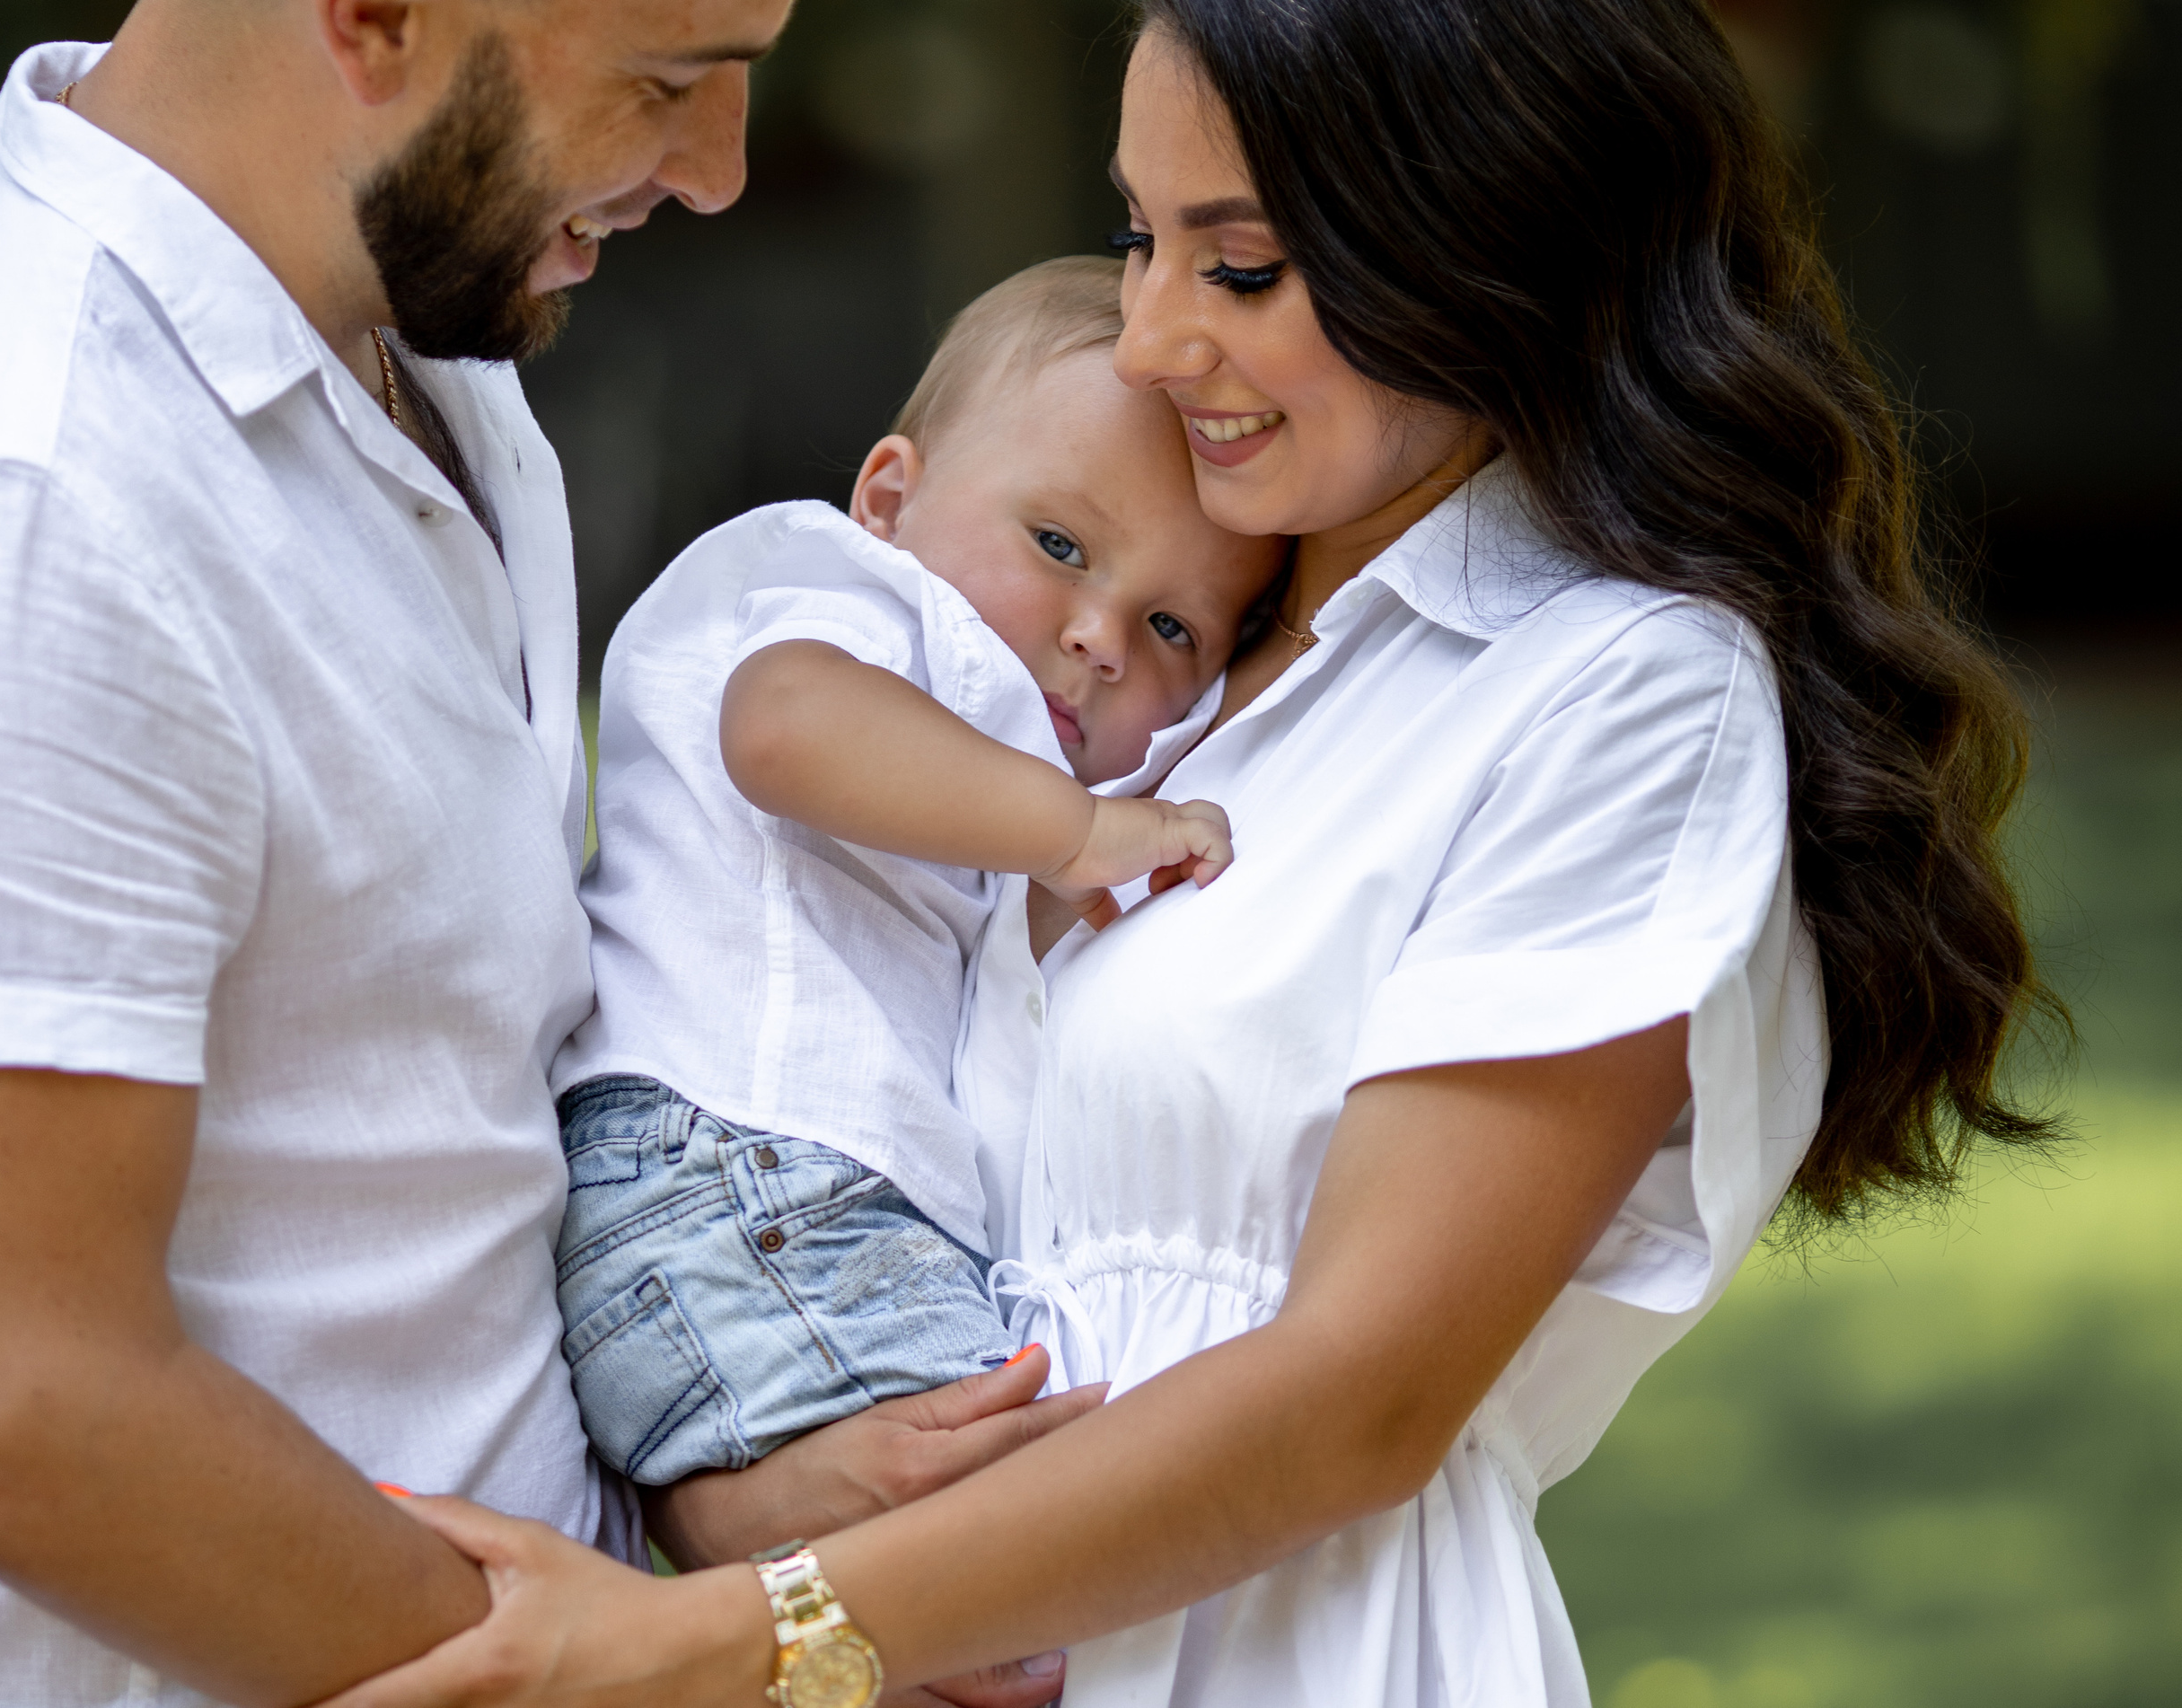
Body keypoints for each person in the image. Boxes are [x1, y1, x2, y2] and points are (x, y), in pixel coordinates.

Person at [319, 3, 2060, 1706]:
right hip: (963, 1628)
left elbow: (1356, 1404)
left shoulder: (1609, 691)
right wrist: (735, 1501)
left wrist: (714, 1643)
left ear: (1480, 250)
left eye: (1233, 270)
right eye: (1133, 238)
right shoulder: (1151, 694)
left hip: (1301, 1645)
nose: (1148, 340)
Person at [0, 5, 1093, 1708]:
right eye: (672, 82)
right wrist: (710, 1672)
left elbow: (437, 1160)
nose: (724, 172)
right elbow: (14, 1409)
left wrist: (720, 1460)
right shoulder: (29, 491)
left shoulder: (419, 348)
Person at [554, 256, 1278, 1490]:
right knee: (1014, 1552)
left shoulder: (993, 763)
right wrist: (1078, 832)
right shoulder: (860, 599)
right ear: (892, 495)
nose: (1099, 637)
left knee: (970, 1609)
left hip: (768, 1212)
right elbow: (782, 728)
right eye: (1059, 542)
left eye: (1172, 629)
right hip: (745, 1167)